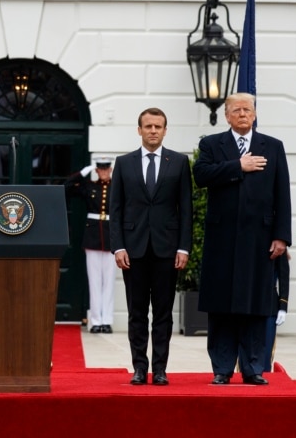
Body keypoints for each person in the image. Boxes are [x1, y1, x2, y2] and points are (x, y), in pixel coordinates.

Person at [193, 92, 291, 386]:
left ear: (255, 113)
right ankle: (222, 368)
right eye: (236, 110)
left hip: (259, 239)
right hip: (222, 239)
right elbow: (201, 175)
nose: (242, 114)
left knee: (255, 304)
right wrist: (238, 166)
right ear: (227, 115)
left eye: (247, 110)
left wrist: (281, 237)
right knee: (221, 306)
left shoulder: (272, 147)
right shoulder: (211, 144)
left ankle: (253, 368)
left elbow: (282, 194)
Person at [109, 108, 192, 386]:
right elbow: (116, 209)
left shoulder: (179, 163)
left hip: (168, 250)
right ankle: (139, 368)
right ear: (139, 130)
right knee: (136, 313)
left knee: (164, 313)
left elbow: (186, 209)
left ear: (165, 130)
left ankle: (160, 369)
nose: (153, 130)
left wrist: (184, 248)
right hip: (133, 250)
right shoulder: (124, 163)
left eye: (158, 126)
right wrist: (118, 246)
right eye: (148, 126)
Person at [65, 154, 115, 333]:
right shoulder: (88, 187)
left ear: (110, 169)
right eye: (100, 169)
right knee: (94, 281)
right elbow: (66, 188)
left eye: (106, 169)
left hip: (111, 237)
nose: (103, 172)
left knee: (109, 281)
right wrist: (83, 172)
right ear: (96, 170)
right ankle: (95, 320)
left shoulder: (117, 187)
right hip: (93, 236)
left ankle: (107, 320)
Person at [238, 251, 289, 374]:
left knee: (265, 355)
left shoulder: (277, 241)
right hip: (245, 303)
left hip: (268, 303)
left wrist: (283, 305)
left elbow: (283, 274)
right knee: (244, 352)